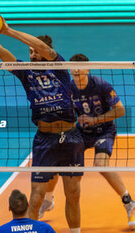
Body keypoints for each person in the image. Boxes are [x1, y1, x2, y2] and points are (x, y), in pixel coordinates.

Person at [0, 7, 84, 233]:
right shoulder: (25, 72)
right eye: (29, 52)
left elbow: (43, 47)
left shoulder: (59, 68)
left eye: (35, 51)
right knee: (36, 198)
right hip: (44, 140)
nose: (32, 55)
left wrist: (8, 29)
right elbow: (0, 50)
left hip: (70, 137)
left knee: (72, 194)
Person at [39, 53, 135, 227]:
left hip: (103, 131)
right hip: (81, 133)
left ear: (87, 69)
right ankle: (48, 200)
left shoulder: (100, 85)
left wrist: (95, 120)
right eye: (73, 67)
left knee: (101, 165)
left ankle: (129, 202)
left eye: (80, 67)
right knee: (56, 161)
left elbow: (120, 111)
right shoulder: (67, 88)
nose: (76, 70)